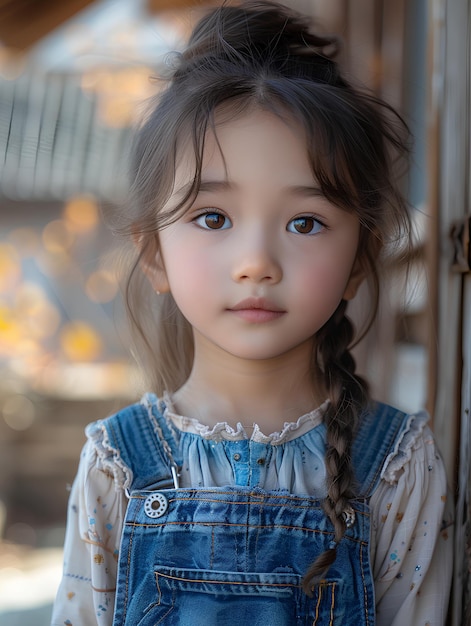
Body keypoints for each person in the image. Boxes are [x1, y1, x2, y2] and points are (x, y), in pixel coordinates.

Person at [51, 2, 453, 624]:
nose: (256, 262)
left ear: (357, 261)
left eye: (305, 222)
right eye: (213, 218)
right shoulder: (116, 467)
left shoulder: (397, 467)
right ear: (153, 255)